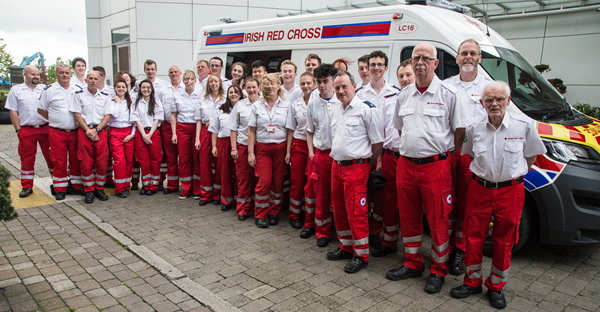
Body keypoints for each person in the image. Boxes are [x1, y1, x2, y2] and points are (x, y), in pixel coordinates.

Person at [450, 81, 546, 309]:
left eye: (499, 99)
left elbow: (531, 158)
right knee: (474, 236)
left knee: (505, 240)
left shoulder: (524, 126)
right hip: (479, 189)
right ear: (482, 104)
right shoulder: (474, 128)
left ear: (508, 101)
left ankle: (496, 286)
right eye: (489, 100)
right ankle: (472, 282)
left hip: (510, 191)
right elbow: (471, 155)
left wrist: (508, 175)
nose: (494, 104)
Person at [386, 43, 467, 294]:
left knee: (438, 219)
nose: (420, 62)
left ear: (435, 64)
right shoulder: (404, 95)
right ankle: (412, 263)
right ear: (410, 63)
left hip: (436, 166)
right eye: (415, 58)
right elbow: (400, 129)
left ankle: (438, 270)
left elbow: (460, 132)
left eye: (425, 58)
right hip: (406, 164)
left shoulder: (449, 94)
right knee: (408, 217)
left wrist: (441, 155)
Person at [326, 70, 384, 274]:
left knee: (356, 212)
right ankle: (346, 246)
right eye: (338, 88)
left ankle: (361, 254)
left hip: (357, 167)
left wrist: (367, 164)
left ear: (354, 86)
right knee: (339, 209)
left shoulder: (366, 109)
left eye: (344, 87)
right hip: (337, 166)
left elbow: (378, 143)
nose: (341, 91)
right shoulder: (336, 109)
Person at [444, 39, 494, 275]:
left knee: (466, 207)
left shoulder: (489, 88)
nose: (468, 57)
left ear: (480, 58)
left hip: (471, 155)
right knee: (446, 203)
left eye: (473, 53)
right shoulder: (447, 86)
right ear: (456, 58)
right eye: (464, 53)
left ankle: (460, 250)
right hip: (448, 152)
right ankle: (443, 248)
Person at [356, 50, 401, 255]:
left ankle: (387, 238)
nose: (375, 68)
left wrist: (382, 155)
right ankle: (369, 234)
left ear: (385, 67)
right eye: (372, 64)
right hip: (367, 153)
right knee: (366, 196)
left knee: (387, 198)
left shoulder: (395, 93)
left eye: (379, 64)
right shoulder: (359, 94)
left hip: (389, 154)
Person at [302, 64, 340, 246]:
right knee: (321, 194)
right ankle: (322, 232)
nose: (322, 85)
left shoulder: (342, 101)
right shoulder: (313, 102)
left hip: (340, 156)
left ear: (333, 81)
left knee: (339, 196)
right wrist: (311, 151)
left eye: (326, 81)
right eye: (319, 82)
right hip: (321, 155)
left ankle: (341, 232)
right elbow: (309, 130)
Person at [247, 73, 290, 228]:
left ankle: (274, 213)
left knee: (278, 182)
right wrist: (251, 153)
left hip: (280, 148)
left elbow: (290, 130)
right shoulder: (257, 106)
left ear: (278, 85)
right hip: (263, 148)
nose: (269, 86)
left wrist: (288, 151)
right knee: (264, 181)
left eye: (272, 83)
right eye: (266, 84)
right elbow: (251, 130)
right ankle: (260, 214)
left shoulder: (286, 104)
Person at [6, 65, 53, 198]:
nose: (36, 77)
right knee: (27, 159)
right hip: (27, 130)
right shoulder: (16, 90)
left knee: (52, 157)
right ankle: (27, 186)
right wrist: (18, 130)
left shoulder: (45, 89)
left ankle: (57, 182)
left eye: (37, 74)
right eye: (33, 74)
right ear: (24, 75)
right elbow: (13, 111)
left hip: (45, 128)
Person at [37, 63, 82, 200]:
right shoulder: (49, 90)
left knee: (76, 159)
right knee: (59, 160)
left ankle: (76, 186)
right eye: (61, 73)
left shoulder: (78, 88)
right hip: (57, 132)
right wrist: (54, 119)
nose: (64, 75)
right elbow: (40, 109)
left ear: (70, 74)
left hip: (75, 131)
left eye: (67, 73)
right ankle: (60, 188)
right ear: (56, 75)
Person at [69, 70, 111, 204]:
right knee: (85, 162)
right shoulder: (78, 95)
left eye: (95, 79)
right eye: (90, 78)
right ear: (86, 80)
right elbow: (77, 115)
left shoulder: (105, 96)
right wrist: (89, 131)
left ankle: (99, 188)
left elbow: (107, 116)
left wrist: (97, 130)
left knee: (101, 161)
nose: (93, 81)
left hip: (100, 131)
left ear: (99, 81)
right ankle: (89, 190)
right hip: (84, 131)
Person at [285, 72, 315, 229]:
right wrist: (288, 152)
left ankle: (309, 216)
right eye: (303, 83)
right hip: (298, 145)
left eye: (309, 83)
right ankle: (294, 214)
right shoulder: (294, 104)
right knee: (297, 181)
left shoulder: (318, 103)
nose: (306, 86)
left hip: (314, 147)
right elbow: (291, 129)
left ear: (314, 84)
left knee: (310, 183)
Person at [228, 77, 260, 221]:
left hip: (260, 146)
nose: (251, 90)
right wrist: (234, 148)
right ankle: (242, 209)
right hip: (243, 145)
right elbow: (233, 128)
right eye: (248, 87)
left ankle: (256, 207)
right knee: (244, 179)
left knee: (258, 180)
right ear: (245, 89)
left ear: (259, 88)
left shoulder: (264, 103)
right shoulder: (240, 105)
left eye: (254, 87)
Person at [210, 85, 243, 211]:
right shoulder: (220, 109)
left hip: (239, 142)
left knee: (238, 172)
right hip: (223, 142)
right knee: (225, 172)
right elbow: (214, 129)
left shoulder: (245, 107)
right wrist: (214, 146)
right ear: (227, 95)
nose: (233, 94)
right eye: (231, 92)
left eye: (236, 92)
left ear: (240, 94)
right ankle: (226, 199)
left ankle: (237, 199)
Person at [196, 75, 226, 205]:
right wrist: (197, 139)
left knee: (219, 164)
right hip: (205, 133)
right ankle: (205, 194)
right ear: (208, 84)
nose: (214, 83)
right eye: (211, 81)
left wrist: (214, 121)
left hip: (220, 133)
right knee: (205, 164)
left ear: (220, 83)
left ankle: (217, 194)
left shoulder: (225, 99)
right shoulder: (202, 99)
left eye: (216, 81)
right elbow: (198, 120)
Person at [130, 79, 164, 196]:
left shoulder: (157, 102)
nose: (146, 89)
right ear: (140, 89)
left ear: (151, 89)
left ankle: (153, 185)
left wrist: (149, 134)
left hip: (153, 133)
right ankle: (145, 185)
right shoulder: (136, 103)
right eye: (143, 87)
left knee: (155, 159)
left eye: (148, 87)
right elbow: (137, 120)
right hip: (141, 133)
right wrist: (144, 135)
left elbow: (157, 119)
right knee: (143, 160)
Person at [172, 70, 202, 199]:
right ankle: (185, 188)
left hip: (196, 128)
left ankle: (197, 188)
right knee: (184, 158)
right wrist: (174, 133)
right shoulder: (177, 94)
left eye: (191, 79)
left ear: (195, 80)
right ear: (182, 80)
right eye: (186, 79)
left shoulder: (200, 93)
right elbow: (173, 115)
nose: (188, 81)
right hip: (182, 128)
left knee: (196, 158)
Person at [105, 78, 136, 198]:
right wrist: (117, 103)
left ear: (126, 89)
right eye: (119, 87)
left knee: (128, 161)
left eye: (123, 87)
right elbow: (115, 115)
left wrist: (132, 134)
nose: (121, 89)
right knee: (119, 161)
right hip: (115, 132)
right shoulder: (111, 102)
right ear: (115, 88)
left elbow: (134, 120)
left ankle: (125, 186)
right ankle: (119, 188)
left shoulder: (131, 102)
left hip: (129, 132)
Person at [160, 65, 184, 194]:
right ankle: (172, 185)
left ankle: (187, 185)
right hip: (167, 125)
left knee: (185, 157)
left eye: (176, 72)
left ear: (180, 73)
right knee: (171, 157)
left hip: (182, 126)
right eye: (171, 72)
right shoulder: (164, 90)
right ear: (168, 75)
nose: (174, 74)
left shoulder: (186, 88)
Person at [93, 66, 116, 188]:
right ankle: (95, 180)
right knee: (95, 156)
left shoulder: (111, 91)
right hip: (94, 129)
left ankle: (108, 179)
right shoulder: (89, 91)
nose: (94, 80)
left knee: (108, 156)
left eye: (96, 77)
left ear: (102, 77)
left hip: (108, 127)